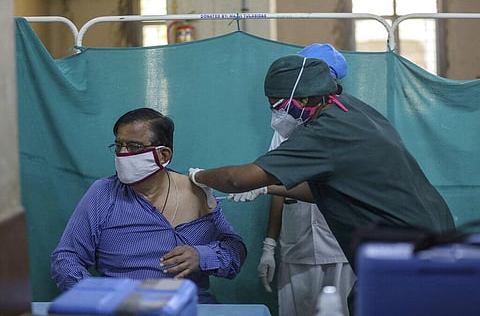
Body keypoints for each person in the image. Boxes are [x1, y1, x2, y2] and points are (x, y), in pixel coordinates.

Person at [188, 52, 456, 312]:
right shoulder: (350, 109)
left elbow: (236, 180)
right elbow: (334, 189)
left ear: (303, 100)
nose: (275, 114)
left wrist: (198, 176)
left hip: (403, 255)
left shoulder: (325, 133)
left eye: (277, 105)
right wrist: (267, 187)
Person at [51, 107, 247, 304]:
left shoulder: (197, 193)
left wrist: (202, 256)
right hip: (124, 307)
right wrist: (101, 300)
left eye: (134, 147)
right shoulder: (104, 193)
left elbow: (235, 252)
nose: (122, 154)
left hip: (190, 306)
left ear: (163, 155)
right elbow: (66, 258)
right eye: (119, 146)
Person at [252, 44, 355, 316]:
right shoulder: (285, 128)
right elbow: (279, 185)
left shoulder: (346, 127)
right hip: (296, 247)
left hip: (340, 248)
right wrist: (269, 244)